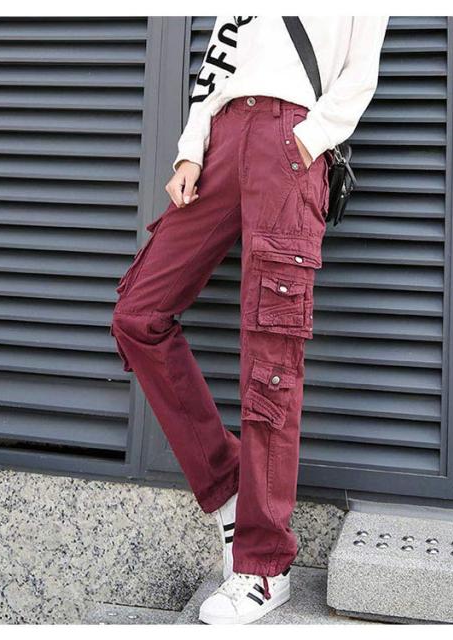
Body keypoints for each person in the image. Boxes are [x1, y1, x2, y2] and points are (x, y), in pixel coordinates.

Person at [110, 15, 389, 625]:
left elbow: (359, 74)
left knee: (272, 360)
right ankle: (228, 485)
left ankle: (264, 565)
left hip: (290, 140)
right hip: (222, 139)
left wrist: (307, 140)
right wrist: (191, 149)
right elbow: (219, 57)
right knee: (139, 314)